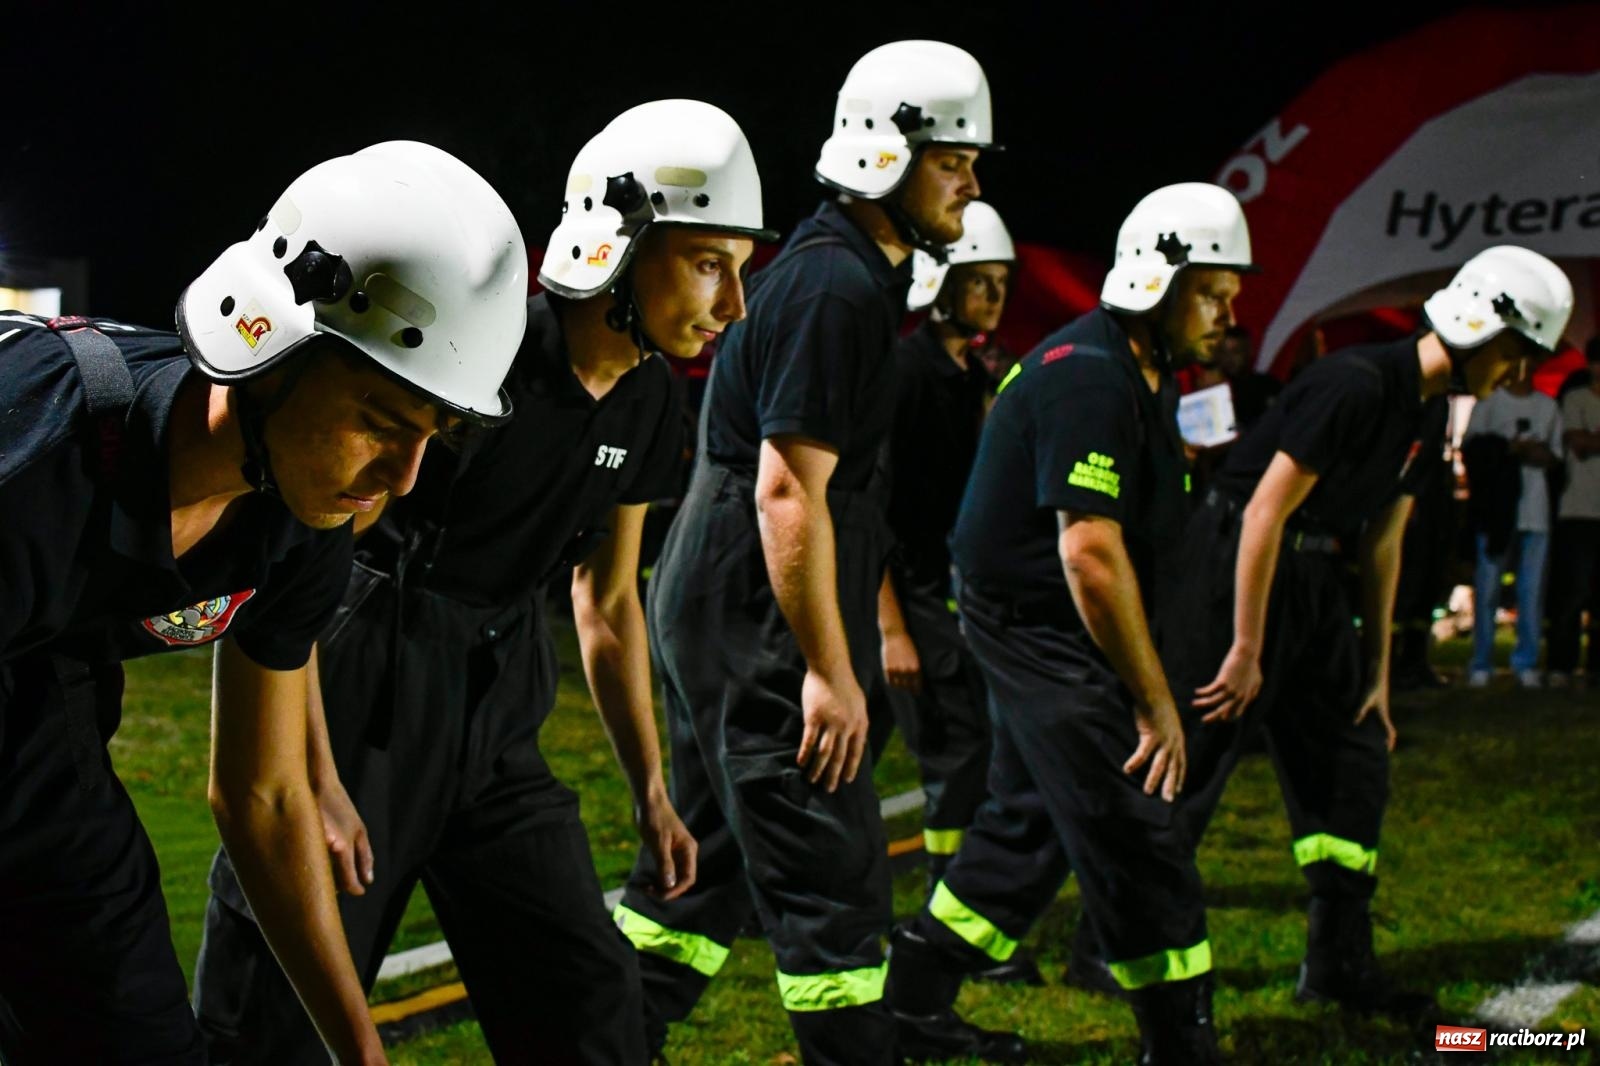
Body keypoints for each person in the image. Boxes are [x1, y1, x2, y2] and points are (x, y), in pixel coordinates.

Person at [192, 101, 772, 1065]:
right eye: (711, 263)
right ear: (619, 242)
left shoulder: (653, 399)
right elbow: (308, 552)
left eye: (740, 271)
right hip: (358, 677)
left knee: (588, 1002)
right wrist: (317, 777)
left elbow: (611, 601)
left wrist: (651, 790)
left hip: (500, 700)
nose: (733, 305)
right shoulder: (485, 352)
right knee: (277, 1016)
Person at [0, 142, 525, 1065]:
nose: (401, 481)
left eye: (431, 439)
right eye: (380, 421)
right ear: (270, 345)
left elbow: (266, 794)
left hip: (45, 715)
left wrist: (356, 1050)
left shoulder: (302, 527)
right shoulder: (37, 458)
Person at [611, 40, 999, 1065]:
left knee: (706, 856)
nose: (970, 182)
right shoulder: (837, 288)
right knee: (829, 867)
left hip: (725, 586)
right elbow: (789, 492)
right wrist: (830, 668)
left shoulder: (846, 274)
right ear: (886, 152)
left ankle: (605, 1040)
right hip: (755, 598)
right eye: (953, 159)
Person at [887, 183, 1256, 1065]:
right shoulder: (1092, 376)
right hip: (1045, 631)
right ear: (1156, 281)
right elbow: (1088, 552)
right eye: (1213, 292)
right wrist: (1153, 697)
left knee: (1027, 823)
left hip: (1042, 624)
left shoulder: (1127, 367)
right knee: (1136, 818)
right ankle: (1180, 1042)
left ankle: (909, 1004)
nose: (1227, 314)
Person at [1163, 245, 1572, 1018]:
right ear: (1481, 325)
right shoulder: (1354, 383)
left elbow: (1385, 542)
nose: (1518, 376)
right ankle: (1119, 953)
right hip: (1236, 570)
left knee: (1353, 761)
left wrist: (1376, 676)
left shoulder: (1423, 406)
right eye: (1518, 355)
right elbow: (1260, 513)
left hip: (1311, 579)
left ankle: (1338, 965)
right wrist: (1246, 649)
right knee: (1195, 759)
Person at [875, 201, 1014, 887]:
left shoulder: (971, 378)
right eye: (981, 281)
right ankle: (949, 898)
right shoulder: (906, 374)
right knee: (957, 746)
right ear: (940, 283)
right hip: (905, 589)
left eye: (1001, 282)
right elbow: (871, 508)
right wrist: (890, 628)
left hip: (942, 587)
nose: (995, 296)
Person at [1462, 361, 1564, 687]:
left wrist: (1535, 453)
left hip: (1536, 511)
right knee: (1487, 587)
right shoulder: (1489, 403)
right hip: (1496, 511)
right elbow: (1471, 450)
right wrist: (1507, 449)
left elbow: (1557, 456)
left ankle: (1526, 662)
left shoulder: (1547, 406)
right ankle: (1481, 661)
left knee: (1531, 591)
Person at [1546, 338, 1600, 687]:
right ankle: (1561, 664)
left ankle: (1595, 667)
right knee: (1573, 590)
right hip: (1577, 508)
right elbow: (1577, 443)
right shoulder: (1576, 398)